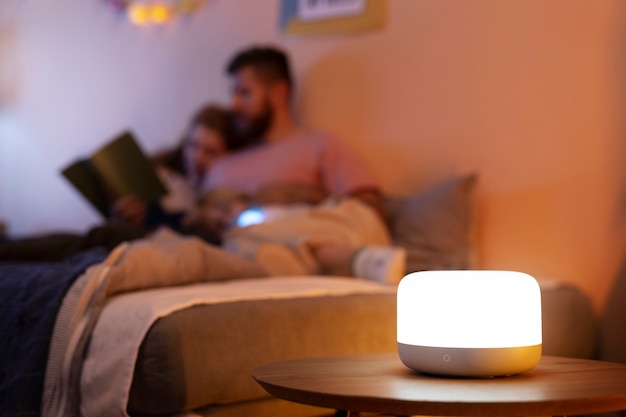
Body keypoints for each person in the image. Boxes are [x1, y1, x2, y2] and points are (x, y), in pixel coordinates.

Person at [196, 45, 406, 284]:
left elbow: (371, 211)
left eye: (244, 93)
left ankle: (291, 256)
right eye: (233, 94)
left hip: (307, 228)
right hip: (238, 243)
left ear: (278, 94)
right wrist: (209, 216)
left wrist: (296, 196)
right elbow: (193, 218)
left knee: (352, 218)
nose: (233, 104)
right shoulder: (223, 163)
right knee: (242, 238)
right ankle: (292, 260)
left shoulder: (321, 145)